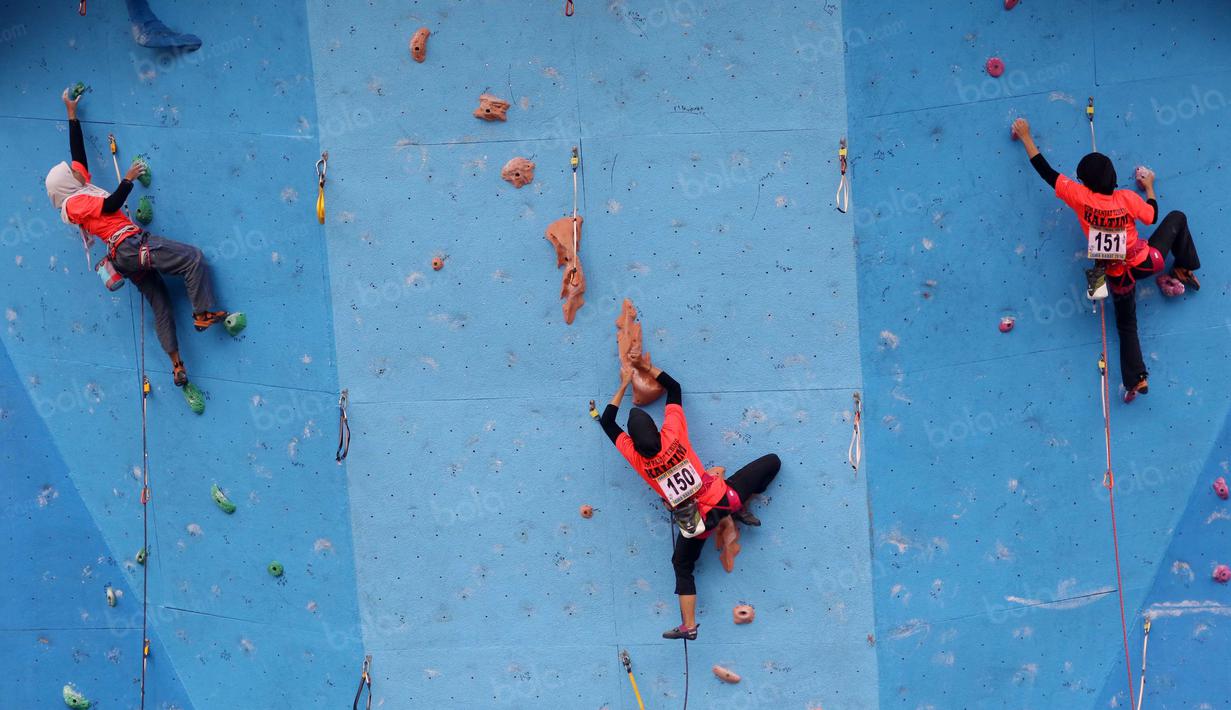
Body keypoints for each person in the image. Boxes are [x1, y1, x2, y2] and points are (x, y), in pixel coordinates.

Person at [46, 88, 228, 387]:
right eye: (71, 173)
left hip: (125, 259)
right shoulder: (74, 204)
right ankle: (202, 313)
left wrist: (71, 114)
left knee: (161, 305)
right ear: (66, 184)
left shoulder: (78, 189)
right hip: (130, 246)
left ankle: (177, 366)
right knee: (192, 258)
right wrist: (128, 179)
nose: (77, 171)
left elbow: (78, 156)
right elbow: (110, 205)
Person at [1012, 117, 1202, 402]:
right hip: (1146, 262)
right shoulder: (1126, 199)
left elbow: (1045, 171)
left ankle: (1136, 379)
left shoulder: (1079, 197)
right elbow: (1152, 215)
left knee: (1126, 325)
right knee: (1177, 218)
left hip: (1116, 275)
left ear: (1085, 183)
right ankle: (1184, 267)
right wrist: (1149, 186)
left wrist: (1026, 135)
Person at [600, 363, 780, 640]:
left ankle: (689, 626)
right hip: (724, 499)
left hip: (695, 524)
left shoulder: (638, 461)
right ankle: (738, 510)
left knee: (682, 566)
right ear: (656, 430)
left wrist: (623, 384)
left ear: (634, 443)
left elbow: (607, 423)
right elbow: (674, 388)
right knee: (772, 462)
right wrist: (644, 366)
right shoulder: (672, 435)